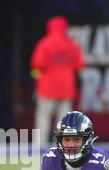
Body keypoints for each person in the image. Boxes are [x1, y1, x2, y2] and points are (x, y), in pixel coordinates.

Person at [31, 16, 85, 146]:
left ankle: (39, 145)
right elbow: (80, 65)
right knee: (65, 121)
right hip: (66, 89)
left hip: (47, 88)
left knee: (43, 118)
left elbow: (37, 64)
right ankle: (65, 146)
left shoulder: (44, 44)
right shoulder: (72, 45)